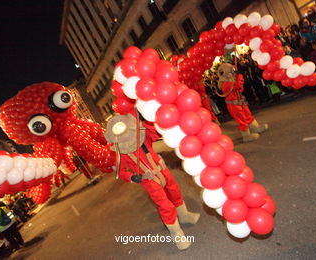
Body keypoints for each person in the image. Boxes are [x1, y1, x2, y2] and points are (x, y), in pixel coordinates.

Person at [104, 113, 200, 250]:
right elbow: (121, 172)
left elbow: (154, 131)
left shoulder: (142, 136)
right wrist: (133, 177)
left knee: (175, 192)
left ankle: (184, 215)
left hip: (162, 170)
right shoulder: (120, 152)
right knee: (165, 205)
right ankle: (176, 233)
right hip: (148, 180)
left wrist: (144, 117)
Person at [214, 63, 268, 142]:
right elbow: (237, 86)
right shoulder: (224, 83)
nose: (232, 72)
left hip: (240, 102)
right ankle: (246, 135)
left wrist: (237, 78)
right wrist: (239, 76)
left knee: (247, 114)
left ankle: (255, 127)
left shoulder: (231, 80)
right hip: (233, 105)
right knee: (241, 119)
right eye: (230, 71)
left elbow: (240, 89)